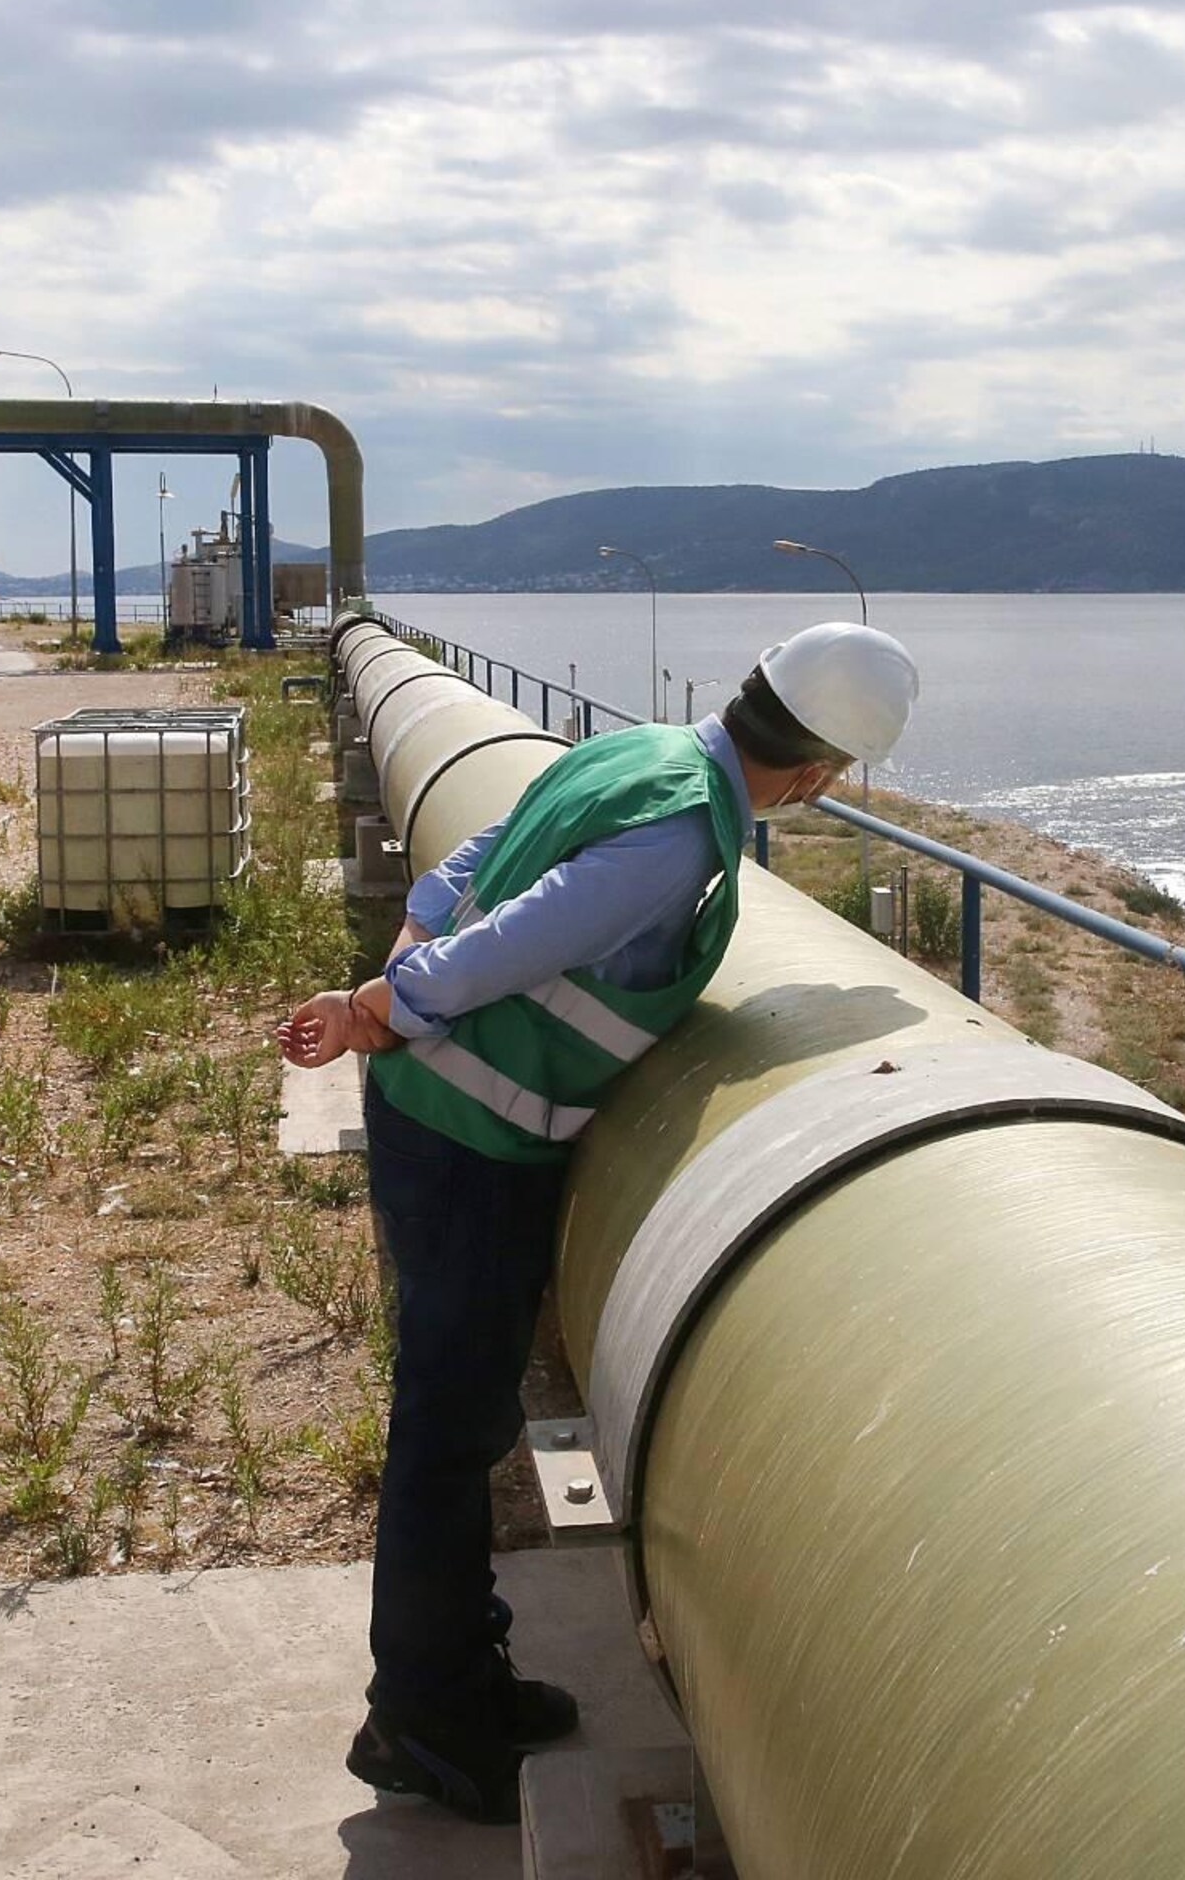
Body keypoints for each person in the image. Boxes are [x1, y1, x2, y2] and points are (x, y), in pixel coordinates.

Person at [278, 620, 920, 1824]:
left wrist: (410, 934)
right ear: (820, 769)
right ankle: (424, 1718)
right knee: (447, 1433)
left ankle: (462, 1670)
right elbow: (535, 929)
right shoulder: (680, 836)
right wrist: (388, 999)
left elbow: (472, 855)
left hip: (444, 1122)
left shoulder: (632, 752)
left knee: (455, 1425)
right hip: (470, 1145)